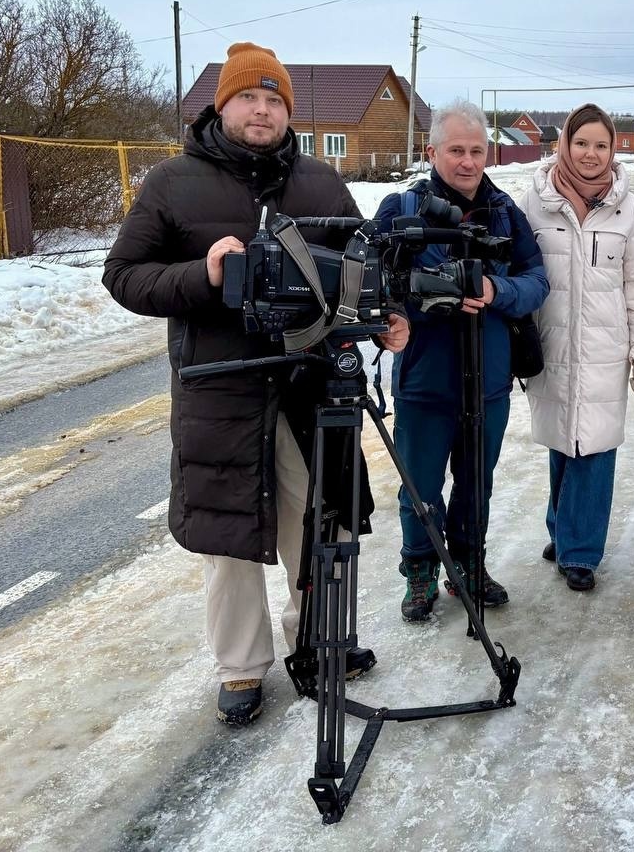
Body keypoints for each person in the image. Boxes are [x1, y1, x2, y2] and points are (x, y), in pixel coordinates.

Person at [103, 42, 409, 726]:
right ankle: (241, 668)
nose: (262, 110)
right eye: (249, 97)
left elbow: (359, 274)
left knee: (317, 518)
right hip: (219, 389)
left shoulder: (320, 182)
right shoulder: (172, 183)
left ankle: (318, 638)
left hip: (308, 384)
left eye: (274, 100)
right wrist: (202, 276)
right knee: (226, 536)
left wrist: (385, 319)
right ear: (224, 104)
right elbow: (123, 276)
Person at [373, 100, 548, 622]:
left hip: (489, 379)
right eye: (456, 151)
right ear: (432, 152)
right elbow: (375, 285)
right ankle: (420, 571)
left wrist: (496, 289)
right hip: (426, 380)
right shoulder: (401, 209)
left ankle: (469, 565)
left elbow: (537, 282)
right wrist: (396, 315)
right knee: (420, 487)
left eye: (476, 151)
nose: (467, 162)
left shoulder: (505, 214)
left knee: (477, 483)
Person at [518, 104, 634, 592]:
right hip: (552, 344)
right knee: (562, 438)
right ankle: (562, 527)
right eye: (582, 143)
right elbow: (519, 273)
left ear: (613, 149)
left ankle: (581, 551)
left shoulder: (629, 209)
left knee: (594, 447)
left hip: (604, 346)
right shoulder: (534, 203)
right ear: (565, 145)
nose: (591, 154)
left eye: (601, 145)